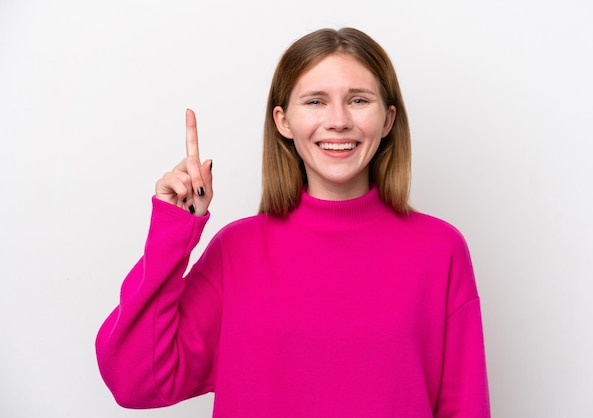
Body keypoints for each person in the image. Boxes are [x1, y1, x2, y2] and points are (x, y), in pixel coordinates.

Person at [96, 27, 491, 417]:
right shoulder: (237, 250)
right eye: (316, 101)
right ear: (283, 121)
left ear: (388, 121)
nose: (338, 121)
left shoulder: (440, 250)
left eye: (358, 99)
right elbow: (136, 381)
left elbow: (465, 406)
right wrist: (173, 231)